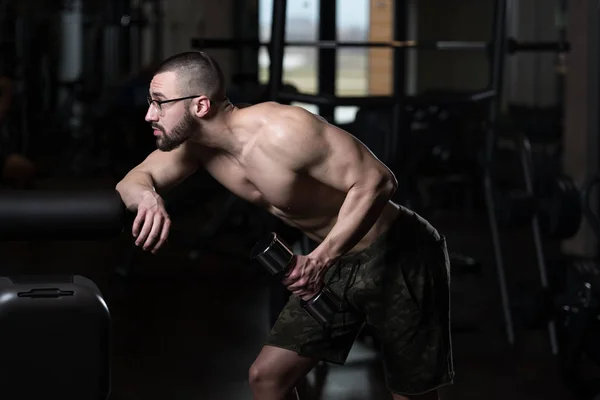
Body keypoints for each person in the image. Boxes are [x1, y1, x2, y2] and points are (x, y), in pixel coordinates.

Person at [115, 51, 454, 400]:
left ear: (200, 106)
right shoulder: (197, 148)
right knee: (267, 378)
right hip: (333, 262)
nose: (149, 115)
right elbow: (133, 180)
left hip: (398, 252)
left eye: (159, 103)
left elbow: (379, 182)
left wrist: (321, 259)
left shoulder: (283, 131)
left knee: (410, 394)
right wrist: (149, 197)